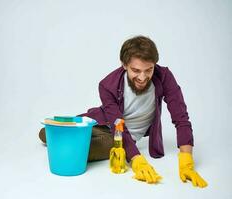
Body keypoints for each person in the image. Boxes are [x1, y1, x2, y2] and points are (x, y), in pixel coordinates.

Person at [39, 35, 207, 187]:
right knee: (45, 133)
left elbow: (181, 117)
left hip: (119, 140)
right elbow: (116, 123)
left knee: (74, 148)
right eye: (136, 70)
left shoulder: (164, 77)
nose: (142, 77)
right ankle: (66, 139)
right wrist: (137, 161)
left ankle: (66, 142)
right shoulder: (107, 85)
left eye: (149, 70)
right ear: (124, 65)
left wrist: (186, 158)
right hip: (103, 122)